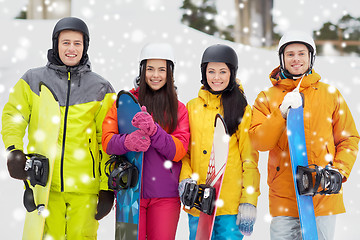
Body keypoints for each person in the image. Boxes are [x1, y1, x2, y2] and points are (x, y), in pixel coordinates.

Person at [1, 17, 116, 239]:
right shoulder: (33, 80)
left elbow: (107, 140)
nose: (71, 49)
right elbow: (13, 115)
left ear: (85, 47)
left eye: (77, 43)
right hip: (44, 185)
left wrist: (106, 186)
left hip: (86, 189)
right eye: (65, 42)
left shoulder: (101, 88)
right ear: (56, 44)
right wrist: (14, 150)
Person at [249, 30, 360, 239]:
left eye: (302, 53)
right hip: (284, 199)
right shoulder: (266, 98)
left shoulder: (330, 94)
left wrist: (338, 172)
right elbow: (259, 141)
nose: (296, 59)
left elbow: (349, 139)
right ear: (282, 59)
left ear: (311, 58)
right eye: (290, 54)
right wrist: (280, 113)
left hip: (322, 197)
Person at [102, 42, 190, 240]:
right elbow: (107, 142)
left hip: (165, 196)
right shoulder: (124, 103)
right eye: (150, 69)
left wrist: (155, 132)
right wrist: (127, 141)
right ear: (142, 70)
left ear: (170, 73)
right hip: (128, 192)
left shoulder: (179, 109)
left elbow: (179, 151)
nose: (155, 75)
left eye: (161, 69)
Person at [179, 44, 260, 239]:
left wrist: (249, 200)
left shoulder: (242, 109)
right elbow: (185, 152)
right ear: (203, 73)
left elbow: (249, 159)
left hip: (230, 205)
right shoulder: (192, 107)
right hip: (198, 201)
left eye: (223, 71)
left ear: (232, 73)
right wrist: (185, 179)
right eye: (211, 71)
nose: (217, 77)